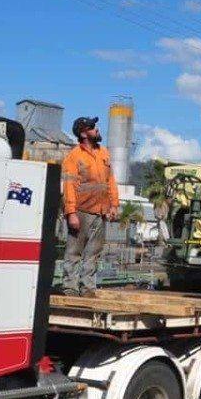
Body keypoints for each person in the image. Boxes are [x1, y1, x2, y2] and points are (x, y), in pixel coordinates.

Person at [60, 115, 118, 295]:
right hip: (81, 211)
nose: (97, 129)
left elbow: (111, 181)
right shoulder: (74, 157)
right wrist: (71, 213)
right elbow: (69, 186)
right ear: (84, 133)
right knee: (74, 251)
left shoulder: (104, 153)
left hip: (100, 212)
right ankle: (70, 287)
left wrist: (114, 205)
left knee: (93, 252)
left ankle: (88, 288)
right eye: (93, 127)